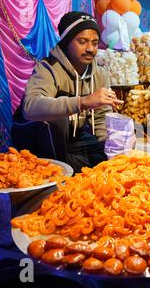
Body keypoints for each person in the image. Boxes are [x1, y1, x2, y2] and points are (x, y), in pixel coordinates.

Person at [11, 11, 123, 173]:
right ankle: (57, 176)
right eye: (82, 41)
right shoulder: (48, 68)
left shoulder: (100, 74)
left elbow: (99, 118)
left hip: (74, 136)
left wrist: (108, 150)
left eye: (95, 42)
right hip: (35, 136)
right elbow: (30, 107)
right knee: (58, 120)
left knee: (104, 164)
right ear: (66, 42)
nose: (90, 49)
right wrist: (82, 101)